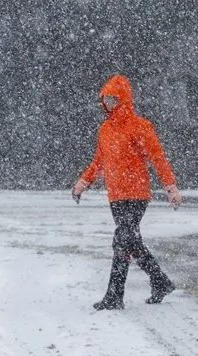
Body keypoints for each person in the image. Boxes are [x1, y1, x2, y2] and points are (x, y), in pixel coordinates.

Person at [72, 74, 183, 310]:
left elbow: (157, 158)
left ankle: (115, 295)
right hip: (116, 196)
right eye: (105, 99)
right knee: (128, 242)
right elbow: (98, 162)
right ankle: (159, 281)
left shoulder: (141, 127)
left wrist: (170, 187)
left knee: (123, 239)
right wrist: (83, 182)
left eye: (113, 99)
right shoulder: (104, 130)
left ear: (123, 99)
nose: (108, 103)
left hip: (136, 194)